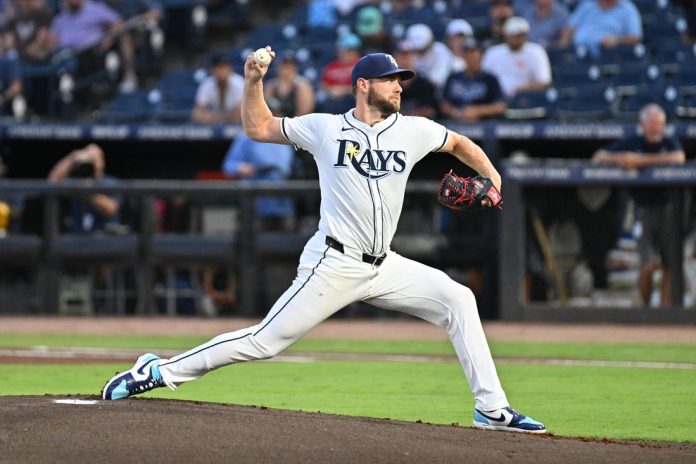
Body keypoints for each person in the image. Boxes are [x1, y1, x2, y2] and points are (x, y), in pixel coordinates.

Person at [102, 46, 546, 435]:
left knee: (459, 300)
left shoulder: (414, 130)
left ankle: (491, 409)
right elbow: (258, 127)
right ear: (363, 85)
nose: (399, 87)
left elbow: (460, 143)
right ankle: (158, 371)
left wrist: (493, 178)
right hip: (333, 262)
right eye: (390, 80)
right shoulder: (325, 128)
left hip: (384, 265)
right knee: (264, 342)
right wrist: (253, 82)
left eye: (400, 80)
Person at [592, 104, 686, 306]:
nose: (655, 128)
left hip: (668, 209)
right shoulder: (633, 140)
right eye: (651, 124)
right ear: (642, 124)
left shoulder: (668, 141)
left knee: (670, 264)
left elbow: (679, 158)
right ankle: (646, 308)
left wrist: (641, 161)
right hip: (642, 209)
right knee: (648, 264)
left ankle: (665, 311)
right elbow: (599, 156)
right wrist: (623, 158)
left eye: (658, 124)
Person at [50, 0, 140, 94]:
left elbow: (118, 23)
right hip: (65, 54)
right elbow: (53, 40)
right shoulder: (60, 18)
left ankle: (129, 76)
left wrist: (109, 38)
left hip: (90, 52)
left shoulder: (95, 8)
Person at [221, 132, 295, 230]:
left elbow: (293, 167)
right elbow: (228, 166)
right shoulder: (247, 136)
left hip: (282, 203)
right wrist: (243, 168)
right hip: (256, 203)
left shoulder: (284, 136)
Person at [47, 143, 121, 233]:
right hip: (78, 236)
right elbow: (52, 182)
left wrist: (89, 190)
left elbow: (110, 209)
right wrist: (72, 158)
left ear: (101, 161)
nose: (91, 162)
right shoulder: (77, 181)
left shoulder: (111, 182)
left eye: (94, 159)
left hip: (103, 236)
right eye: (88, 159)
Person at [482, 16, 552, 97]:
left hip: (526, 97)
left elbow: (544, 82)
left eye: (521, 35)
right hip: (497, 97)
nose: (518, 39)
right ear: (506, 35)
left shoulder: (536, 51)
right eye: (515, 35)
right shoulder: (493, 52)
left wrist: (521, 89)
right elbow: (483, 79)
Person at [440, 38, 506, 122]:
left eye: (474, 53)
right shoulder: (454, 77)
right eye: (468, 53)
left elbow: (500, 106)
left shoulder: (490, 79)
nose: (471, 57)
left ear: (481, 56)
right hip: (456, 123)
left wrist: (478, 111)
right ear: (463, 56)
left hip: (483, 124)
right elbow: (443, 104)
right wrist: (457, 113)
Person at [559, 0, 642, 58]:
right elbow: (570, 27)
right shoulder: (587, 5)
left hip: (608, 55)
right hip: (578, 53)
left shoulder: (627, 8)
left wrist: (618, 40)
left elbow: (636, 38)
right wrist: (564, 42)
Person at [191, 53, 244, 124]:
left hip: (238, 125)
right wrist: (204, 116)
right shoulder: (207, 84)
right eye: (218, 68)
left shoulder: (239, 82)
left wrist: (215, 117)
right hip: (213, 125)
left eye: (224, 67)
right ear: (212, 70)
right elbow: (196, 113)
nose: (221, 71)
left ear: (230, 69)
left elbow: (242, 112)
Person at [391, 39, 437, 118]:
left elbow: (431, 110)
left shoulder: (425, 84)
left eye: (408, 54)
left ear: (414, 56)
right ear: (394, 57)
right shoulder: (388, 84)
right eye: (401, 55)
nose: (405, 58)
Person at [319, 32, 361, 114]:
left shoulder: (361, 64)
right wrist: (331, 90)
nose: (348, 53)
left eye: (351, 50)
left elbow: (364, 86)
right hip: (333, 100)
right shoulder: (332, 66)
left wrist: (343, 90)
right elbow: (323, 84)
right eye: (346, 50)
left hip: (353, 101)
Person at [404, 23, 456, 90]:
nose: (421, 50)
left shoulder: (441, 51)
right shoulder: (407, 53)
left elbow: (438, 82)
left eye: (423, 48)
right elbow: (405, 82)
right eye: (417, 49)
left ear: (431, 41)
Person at [264, 52, 315, 118]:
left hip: (296, 121)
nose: (286, 70)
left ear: (295, 68)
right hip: (276, 120)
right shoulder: (271, 85)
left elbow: (304, 112)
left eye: (289, 67)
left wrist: (287, 123)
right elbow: (265, 108)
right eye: (284, 66)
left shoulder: (302, 85)